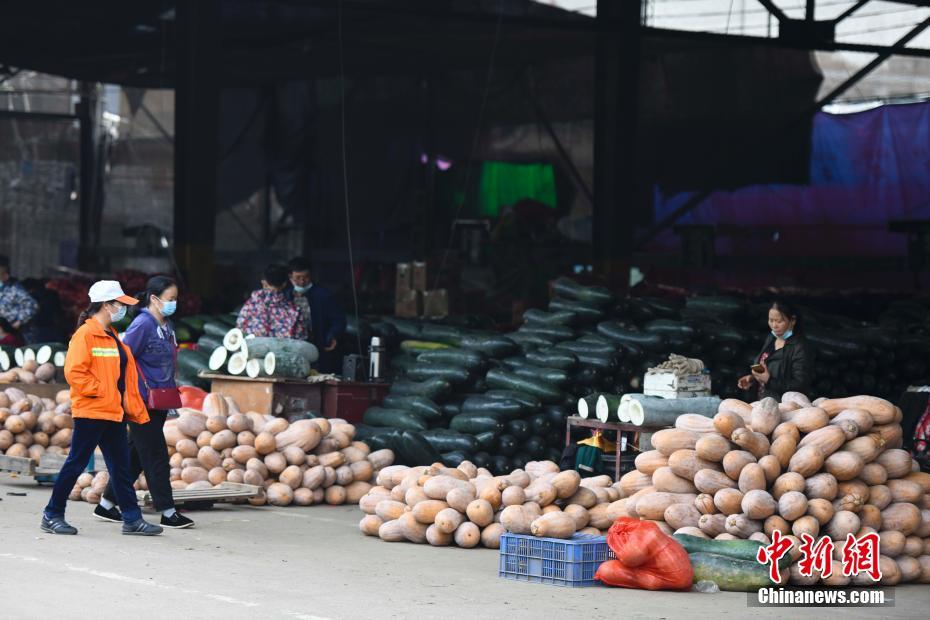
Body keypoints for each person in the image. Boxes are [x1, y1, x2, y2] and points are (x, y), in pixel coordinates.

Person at [41, 280, 162, 536]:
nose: (123, 309)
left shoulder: (111, 335)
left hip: (113, 411)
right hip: (93, 412)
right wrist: (103, 393)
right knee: (76, 463)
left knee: (120, 466)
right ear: (107, 306)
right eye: (120, 305)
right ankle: (52, 514)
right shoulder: (85, 335)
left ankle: (132, 519)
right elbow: (75, 373)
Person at [94, 276, 194, 529]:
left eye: (175, 299)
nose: (174, 303)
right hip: (141, 402)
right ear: (154, 299)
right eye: (170, 299)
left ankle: (106, 505)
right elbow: (123, 358)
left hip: (159, 400)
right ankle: (168, 511)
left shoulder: (166, 324)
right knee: (156, 455)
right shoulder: (142, 324)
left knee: (135, 456)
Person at [738, 301, 813, 400]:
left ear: (792, 320)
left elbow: (800, 385)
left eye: (779, 321)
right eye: (771, 320)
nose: (774, 326)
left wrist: (769, 380)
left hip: (785, 407)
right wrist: (753, 378)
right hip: (763, 403)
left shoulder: (800, 347)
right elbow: (766, 365)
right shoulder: (771, 338)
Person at [283, 257, 346, 374]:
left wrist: (332, 335)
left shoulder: (323, 295)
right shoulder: (285, 296)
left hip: (317, 345)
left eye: (306, 277)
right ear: (290, 277)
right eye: (298, 278)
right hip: (291, 346)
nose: (302, 281)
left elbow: (338, 319)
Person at [237, 264, 307, 339]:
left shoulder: (250, 305)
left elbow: (239, 331)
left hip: (253, 350)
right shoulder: (294, 311)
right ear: (284, 284)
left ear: (264, 283)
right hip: (282, 350)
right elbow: (301, 340)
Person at [20, 278, 65, 344]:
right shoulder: (53, 294)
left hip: (37, 330)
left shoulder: (29, 297)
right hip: (55, 327)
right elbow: (59, 312)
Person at [0, 254, 38, 332]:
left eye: (3, 273)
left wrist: (19, 322)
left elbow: (32, 305)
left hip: (11, 331)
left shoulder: (13, 288)